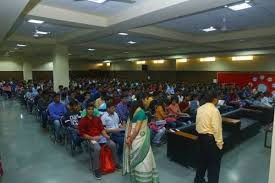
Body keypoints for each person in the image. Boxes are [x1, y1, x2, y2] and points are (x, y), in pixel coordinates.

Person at [78, 104, 120, 180]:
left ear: (94, 110)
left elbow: (102, 129)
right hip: (91, 139)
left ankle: (115, 163)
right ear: (86, 110)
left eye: (92, 109)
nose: (90, 110)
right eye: (89, 109)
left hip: (101, 137)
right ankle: (96, 169)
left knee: (112, 144)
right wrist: (93, 138)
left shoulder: (97, 119)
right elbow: (83, 134)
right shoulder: (82, 121)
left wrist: (106, 136)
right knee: (97, 148)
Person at [123, 98, 159, 183]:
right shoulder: (141, 113)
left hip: (134, 139)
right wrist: (131, 139)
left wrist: (129, 138)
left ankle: (136, 177)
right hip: (140, 138)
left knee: (135, 157)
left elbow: (131, 126)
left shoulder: (133, 113)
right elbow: (137, 129)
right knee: (145, 157)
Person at [194, 93, 223, 183]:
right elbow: (217, 129)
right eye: (218, 98)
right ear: (214, 99)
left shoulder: (200, 108)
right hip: (210, 140)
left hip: (200, 138)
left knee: (202, 161)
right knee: (214, 165)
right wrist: (220, 144)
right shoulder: (214, 110)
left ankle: (198, 180)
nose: (218, 100)